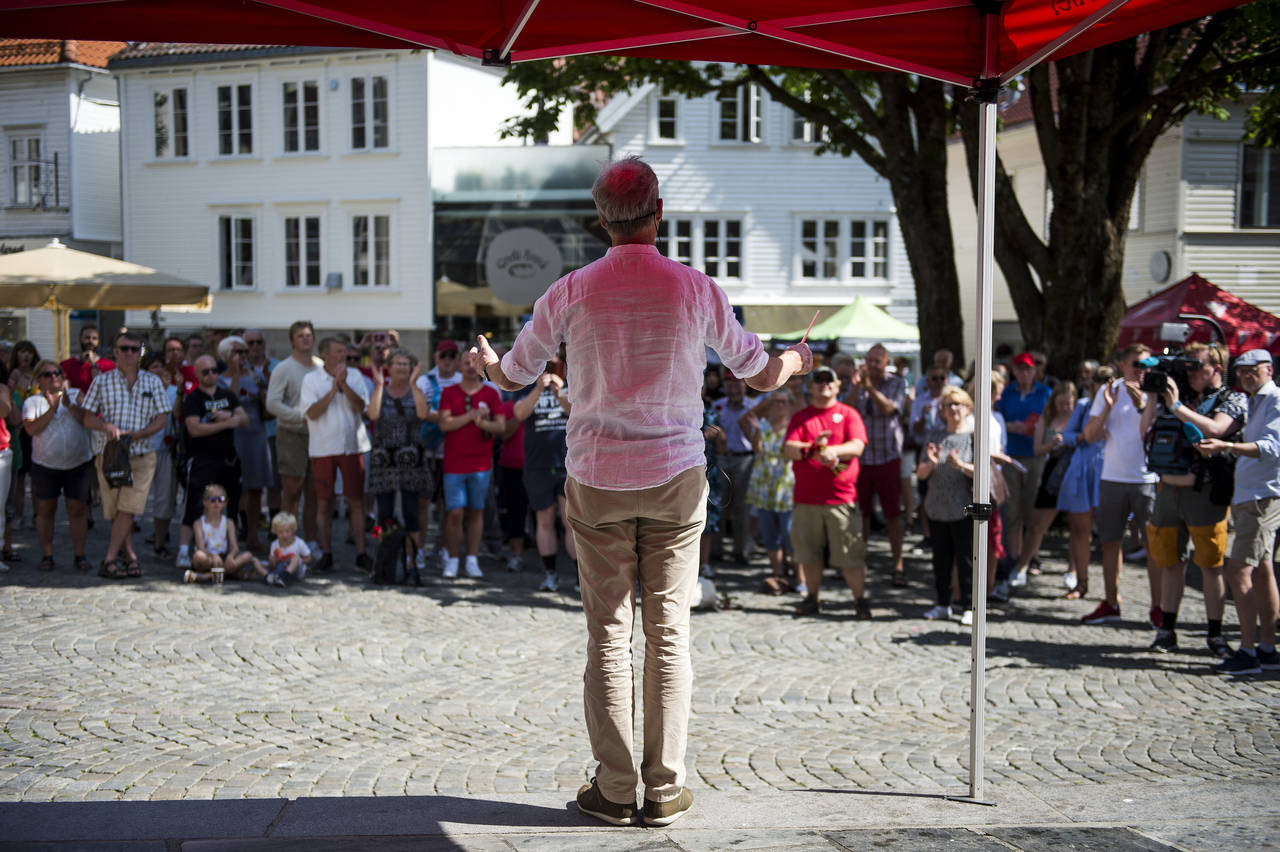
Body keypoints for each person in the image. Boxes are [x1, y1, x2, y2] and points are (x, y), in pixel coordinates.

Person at [467, 155, 810, 827]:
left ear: (601, 221)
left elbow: (512, 373)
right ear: (659, 214)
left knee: (609, 634)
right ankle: (665, 788)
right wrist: (796, 359)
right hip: (676, 474)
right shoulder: (695, 288)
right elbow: (761, 373)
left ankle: (616, 787)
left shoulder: (570, 289)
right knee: (670, 632)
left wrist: (486, 366)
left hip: (595, 475)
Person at [1142, 342, 1245, 656]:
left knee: (1210, 566)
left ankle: (1214, 635)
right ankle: (1166, 631)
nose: (1190, 373)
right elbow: (1144, 432)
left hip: (1205, 493)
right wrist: (1151, 395)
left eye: (1197, 366)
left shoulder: (1233, 398)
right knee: (1171, 563)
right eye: (1187, 366)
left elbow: (1217, 428)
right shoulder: (1177, 395)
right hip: (1167, 491)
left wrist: (1176, 407)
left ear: (1217, 367)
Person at [1196, 349, 1280, 674]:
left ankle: (1248, 653)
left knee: (1237, 571)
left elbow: (1271, 449)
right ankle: (1267, 649)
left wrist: (1227, 447)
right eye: (1241, 370)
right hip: (1252, 496)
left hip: (1263, 497)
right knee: (1261, 570)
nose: (1246, 375)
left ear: (1269, 370)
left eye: (1253, 370)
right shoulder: (1255, 400)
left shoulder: (1273, 400)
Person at [1079, 344, 1159, 625]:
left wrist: (1144, 404)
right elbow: (1089, 435)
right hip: (1112, 477)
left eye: (1147, 363)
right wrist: (1107, 409)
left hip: (1147, 479)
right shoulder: (1107, 392)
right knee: (1110, 542)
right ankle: (1111, 602)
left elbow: (1153, 434)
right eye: (1137, 363)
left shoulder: (1157, 391)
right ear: (1122, 365)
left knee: (1154, 548)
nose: (1142, 369)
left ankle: (1158, 609)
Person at [81, 331, 169, 579]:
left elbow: (162, 418)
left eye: (135, 349)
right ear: (115, 352)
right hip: (110, 454)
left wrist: (140, 434)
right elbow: (87, 417)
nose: (130, 353)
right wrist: (105, 426)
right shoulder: (102, 381)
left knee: (129, 507)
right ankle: (129, 554)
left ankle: (109, 559)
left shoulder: (153, 381)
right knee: (118, 509)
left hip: (141, 454)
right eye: (125, 348)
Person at [784, 365, 869, 618]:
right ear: (810, 387)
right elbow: (789, 448)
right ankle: (812, 598)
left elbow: (857, 446)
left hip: (840, 498)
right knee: (808, 554)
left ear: (838, 385)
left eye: (829, 380)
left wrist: (833, 451)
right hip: (806, 498)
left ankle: (859, 600)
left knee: (851, 555)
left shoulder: (849, 414)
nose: (824, 384)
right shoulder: (801, 417)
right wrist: (813, 448)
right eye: (818, 381)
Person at [300, 337, 373, 573]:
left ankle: (361, 552)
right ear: (325, 355)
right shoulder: (311, 379)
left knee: (356, 501)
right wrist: (333, 389)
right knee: (324, 502)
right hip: (323, 448)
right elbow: (311, 413)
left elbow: (361, 407)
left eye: (345, 352)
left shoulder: (355, 376)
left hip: (352, 447)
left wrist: (344, 385)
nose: (343, 356)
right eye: (339, 352)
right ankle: (327, 553)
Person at [21, 359, 93, 572]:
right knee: (45, 510)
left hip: (77, 463)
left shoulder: (77, 394)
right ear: (39, 380)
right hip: (45, 465)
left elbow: (87, 420)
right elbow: (31, 429)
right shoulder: (33, 402)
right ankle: (47, 555)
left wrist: (70, 405)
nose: (53, 377)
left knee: (77, 509)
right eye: (47, 374)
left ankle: (80, 555)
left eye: (57, 373)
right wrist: (52, 410)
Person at [437, 354, 505, 579]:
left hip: (481, 464)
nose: (468, 367)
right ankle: (453, 558)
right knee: (454, 512)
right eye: (464, 362)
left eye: (472, 363)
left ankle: (472, 559)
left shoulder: (491, 393)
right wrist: (471, 416)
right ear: (458, 365)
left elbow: (501, 427)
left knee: (477, 511)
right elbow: (444, 424)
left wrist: (483, 422)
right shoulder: (449, 392)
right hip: (454, 464)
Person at [510, 363, 576, 589]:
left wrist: (559, 392)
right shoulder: (527, 386)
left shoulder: (572, 384)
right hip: (538, 466)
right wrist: (538, 390)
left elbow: (575, 412)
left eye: (554, 364)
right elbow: (519, 413)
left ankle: (579, 577)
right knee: (544, 520)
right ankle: (550, 574)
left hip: (568, 464)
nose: (549, 369)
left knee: (571, 521)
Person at [917, 386, 979, 622]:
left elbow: (981, 474)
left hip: (963, 508)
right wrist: (932, 462)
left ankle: (968, 607)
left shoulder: (973, 437)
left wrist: (960, 465)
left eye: (957, 404)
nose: (952, 409)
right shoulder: (934, 435)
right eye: (947, 405)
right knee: (940, 560)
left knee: (965, 560)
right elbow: (921, 473)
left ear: (967, 408)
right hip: (937, 507)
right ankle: (943, 603)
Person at [1008, 382, 1079, 588]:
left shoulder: (1080, 419)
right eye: (1060, 403)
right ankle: (1022, 565)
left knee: (1076, 526)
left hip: (1073, 473)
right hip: (1051, 473)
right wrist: (1052, 444)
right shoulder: (1046, 419)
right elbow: (1037, 450)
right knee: (1037, 525)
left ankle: (1073, 570)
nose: (1064, 407)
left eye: (1068, 403)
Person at [366, 348, 433, 566]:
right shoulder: (381, 390)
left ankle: (413, 559)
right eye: (398, 364)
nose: (402, 368)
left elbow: (423, 414)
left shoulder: (417, 390)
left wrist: (413, 385)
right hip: (383, 458)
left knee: (411, 512)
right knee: (383, 513)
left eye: (406, 364)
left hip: (410, 458)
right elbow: (373, 415)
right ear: (389, 367)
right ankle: (383, 559)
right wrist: (378, 385)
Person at [181, 354, 247, 569]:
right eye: (206, 371)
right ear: (198, 375)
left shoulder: (227, 395)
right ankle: (184, 549)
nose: (211, 375)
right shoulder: (193, 399)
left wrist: (228, 415)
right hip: (203, 459)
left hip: (228, 459)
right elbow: (194, 429)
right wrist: (226, 424)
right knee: (194, 504)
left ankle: (230, 548)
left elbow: (244, 419)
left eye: (214, 370)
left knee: (231, 504)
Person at [852, 343, 908, 587]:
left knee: (892, 514)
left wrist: (870, 389)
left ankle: (898, 564)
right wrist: (857, 387)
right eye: (869, 360)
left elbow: (888, 409)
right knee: (861, 514)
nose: (873, 365)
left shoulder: (897, 383)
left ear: (886, 362)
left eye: (877, 361)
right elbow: (848, 409)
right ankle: (859, 563)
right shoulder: (859, 382)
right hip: (862, 459)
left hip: (887, 457)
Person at [266, 320, 322, 556]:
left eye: (308, 335)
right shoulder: (284, 368)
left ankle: (310, 542)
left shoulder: (320, 366)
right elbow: (272, 403)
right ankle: (285, 542)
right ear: (292, 341)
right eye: (300, 336)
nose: (305, 339)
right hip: (292, 434)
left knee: (315, 492)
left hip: (318, 436)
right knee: (292, 491)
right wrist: (299, 417)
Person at [1057, 366, 1112, 599]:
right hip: (1083, 470)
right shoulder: (1083, 405)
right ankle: (1081, 583)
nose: (1102, 384)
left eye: (1108, 380)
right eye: (1099, 380)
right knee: (1080, 529)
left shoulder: (1122, 405)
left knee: (1111, 534)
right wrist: (1083, 436)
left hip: (1110, 470)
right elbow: (1066, 436)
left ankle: (1112, 592)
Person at [996, 352, 1052, 573]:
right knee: (1012, 508)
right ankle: (1015, 555)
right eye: (1020, 369)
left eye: (1028, 369)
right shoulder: (1006, 393)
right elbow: (998, 419)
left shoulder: (1044, 393)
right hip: (1011, 456)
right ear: (1014, 371)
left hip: (1035, 456)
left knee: (1032, 509)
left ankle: (1032, 556)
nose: (1024, 373)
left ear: (1034, 371)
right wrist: (1011, 427)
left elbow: (1050, 420)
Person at [218, 336, 272, 552]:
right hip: (233, 435)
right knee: (233, 488)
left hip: (256, 433)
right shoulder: (219, 379)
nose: (241, 356)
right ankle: (230, 534)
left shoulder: (257, 377)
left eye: (243, 352)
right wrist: (236, 375)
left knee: (256, 487)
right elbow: (229, 401)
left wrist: (262, 384)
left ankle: (252, 535)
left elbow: (267, 407)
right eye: (236, 352)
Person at [742, 388, 797, 592]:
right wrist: (756, 429)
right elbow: (757, 449)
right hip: (763, 487)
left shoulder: (794, 426)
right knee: (770, 535)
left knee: (790, 535)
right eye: (775, 402)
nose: (779, 406)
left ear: (790, 404)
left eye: (783, 402)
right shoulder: (763, 425)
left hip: (786, 487)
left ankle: (800, 579)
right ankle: (778, 575)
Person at [712, 370, 755, 564]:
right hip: (721, 459)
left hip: (745, 459)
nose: (733, 388)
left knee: (742, 507)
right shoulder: (717, 406)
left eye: (737, 384)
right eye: (729, 384)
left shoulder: (752, 407)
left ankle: (741, 551)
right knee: (719, 504)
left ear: (744, 386)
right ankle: (716, 550)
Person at [184, 483, 265, 584]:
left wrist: (230, 556)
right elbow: (201, 548)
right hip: (207, 557)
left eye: (221, 499)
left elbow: (234, 547)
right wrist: (213, 557)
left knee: (248, 555)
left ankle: (205, 577)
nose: (217, 503)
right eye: (213, 499)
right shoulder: (199, 523)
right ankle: (230, 573)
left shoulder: (228, 522)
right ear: (205, 502)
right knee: (198, 556)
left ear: (225, 503)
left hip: (224, 557)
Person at [141, 352, 180, 559]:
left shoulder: (174, 391)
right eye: (153, 367)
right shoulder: (138, 390)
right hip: (142, 449)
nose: (157, 371)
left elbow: (176, 413)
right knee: (133, 496)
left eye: (160, 367)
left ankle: (160, 540)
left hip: (166, 450)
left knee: (165, 497)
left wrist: (174, 391)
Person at [243, 329, 281, 519]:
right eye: (250, 343)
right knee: (248, 485)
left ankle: (276, 526)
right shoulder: (239, 368)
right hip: (247, 434)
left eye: (259, 342)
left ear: (265, 344)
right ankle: (247, 525)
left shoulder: (278, 366)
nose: (255, 347)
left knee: (275, 483)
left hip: (273, 431)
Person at [59, 325, 114, 393]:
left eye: (94, 338)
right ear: (80, 339)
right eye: (87, 338)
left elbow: (105, 389)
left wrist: (93, 364)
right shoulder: (66, 365)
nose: (90, 341)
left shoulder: (108, 366)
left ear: (98, 342)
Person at [266, 510, 311, 587]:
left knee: (295, 558)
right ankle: (272, 577)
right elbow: (272, 565)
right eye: (280, 532)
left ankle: (284, 577)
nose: (284, 535)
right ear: (275, 532)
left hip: (296, 570)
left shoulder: (299, 542)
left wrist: (298, 560)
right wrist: (272, 560)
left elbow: (308, 558)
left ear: (293, 530)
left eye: (287, 531)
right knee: (258, 561)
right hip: (281, 567)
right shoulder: (274, 544)